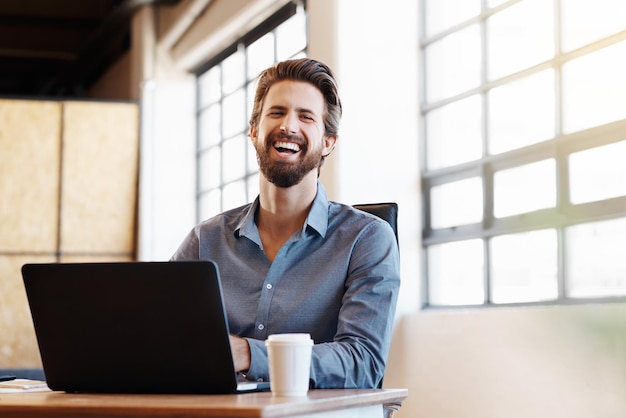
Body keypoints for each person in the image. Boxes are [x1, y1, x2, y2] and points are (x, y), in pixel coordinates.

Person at [171, 58, 400, 389]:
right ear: (254, 131)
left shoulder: (366, 239)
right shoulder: (206, 239)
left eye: (305, 117)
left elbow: (363, 362)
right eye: (276, 113)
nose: (288, 126)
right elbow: (161, 335)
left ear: (328, 142)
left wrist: (249, 354)